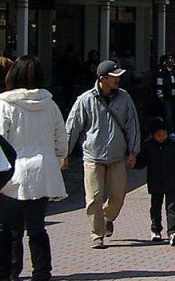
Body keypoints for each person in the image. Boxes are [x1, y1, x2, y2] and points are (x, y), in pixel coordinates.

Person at [0, 56, 67, 280]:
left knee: (10, 228)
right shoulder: (50, 103)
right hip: (44, 169)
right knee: (37, 226)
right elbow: (61, 137)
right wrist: (58, 158)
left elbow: (1, 140)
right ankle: (42, 271)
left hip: (13, 171)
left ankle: (10, 270)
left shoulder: (5, 104)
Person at [65, 60, 141, 250]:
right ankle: (96, 234)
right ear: (102, 79)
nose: (118, 79)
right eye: (114, 76)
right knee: (94, 198)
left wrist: (133, 151)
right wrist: (63, 154)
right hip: (92, 156)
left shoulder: (124, 98)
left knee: (118, 195)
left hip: (117, 156)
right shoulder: (85, 99)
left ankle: (107, 218)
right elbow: (72, 128)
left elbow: (133, 125)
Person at [134, 117, 175, 246]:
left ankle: (173, 231)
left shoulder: (173, 145)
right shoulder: (147, 146)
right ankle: (156, 230)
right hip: (154, 181)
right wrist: (133, 162)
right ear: (153, 135)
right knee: (155, 206)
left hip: (171, 181)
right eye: (158, 135)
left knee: (171, 206)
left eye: (164, 134)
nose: (162, 137)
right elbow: (141, 162)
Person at [154, 54, 175, 138]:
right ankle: (170, 130)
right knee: (168, 114)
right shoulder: (162, 71)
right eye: (169, 59)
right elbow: (159, 84)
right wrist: (160, 94)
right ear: (165, 61)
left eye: (172, 59)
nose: (171, 61)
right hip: (167, 96)